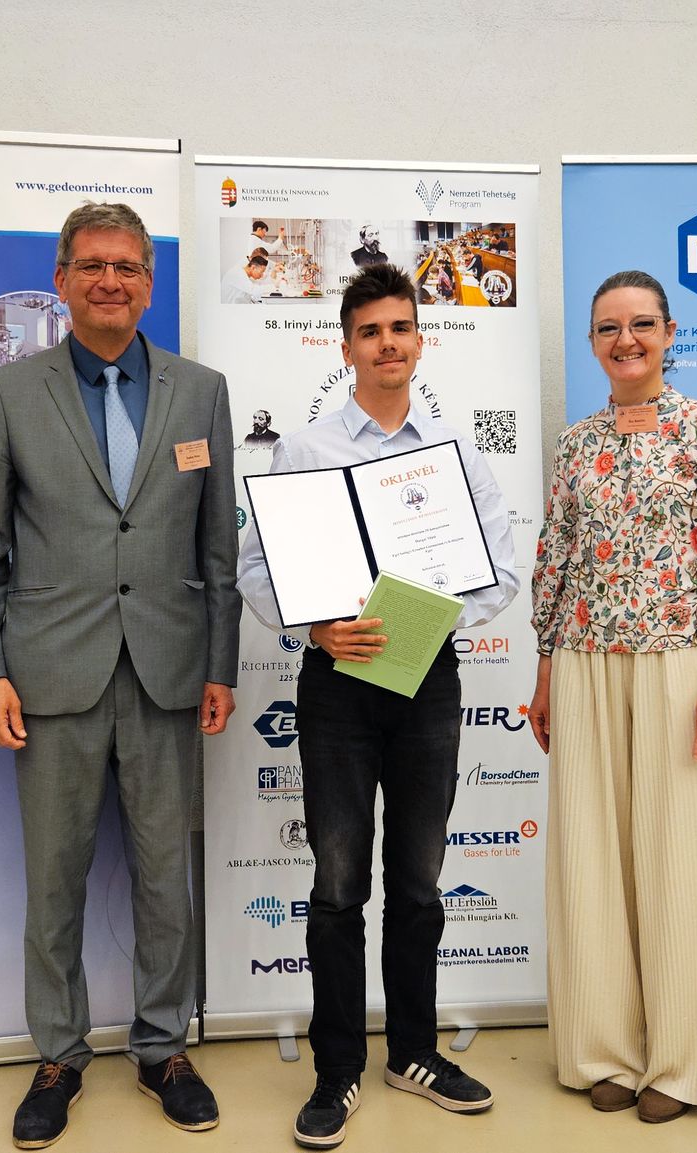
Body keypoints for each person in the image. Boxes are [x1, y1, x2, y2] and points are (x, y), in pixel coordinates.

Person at [0, 201, 240, 1148]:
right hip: (50, 673)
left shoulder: (201, 393)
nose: (111, 281)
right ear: (64, 280)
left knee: (166, 876)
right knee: (55, 878)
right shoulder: (12, 394)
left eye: (128, 267)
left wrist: (221, 661)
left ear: (149, 284)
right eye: (93, 266)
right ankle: (59, 1054)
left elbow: (217, 545)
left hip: (167, 669)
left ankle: (163, 1047)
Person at [236, 263, 519, 1149]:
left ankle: (414, 1053)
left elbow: (501, 571)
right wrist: (316, 626)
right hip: (337, 685)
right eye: (370, 331)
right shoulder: (306, 450)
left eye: (400, 328)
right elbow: (255, 567)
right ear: (346, 345)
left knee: (421, 880)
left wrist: (426, 620)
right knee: (337, 883)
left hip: (427, 678)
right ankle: (336, 1069)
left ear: (419, 341)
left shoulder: (457, 453)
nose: (387, 343)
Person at [529, 270, 697, 1125]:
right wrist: (545, 666)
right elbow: (556, 554)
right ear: (592, 342)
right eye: (607, 328)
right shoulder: (576, 443)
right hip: (584, 660)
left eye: (640, 324)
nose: (624, 340)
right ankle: (606, 1051)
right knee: (591, 855)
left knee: (681, 858)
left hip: (680, 660)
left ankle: (686, 1059)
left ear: (668, 333)